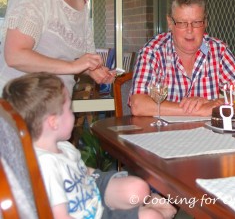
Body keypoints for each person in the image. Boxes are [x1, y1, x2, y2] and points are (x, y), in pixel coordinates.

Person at [2, 72, 177, 219]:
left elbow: (83, 171)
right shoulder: (45, 166)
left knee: (138, 188)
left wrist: (112, 178)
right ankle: (148, 211)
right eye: (69, 109)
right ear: (53, 122)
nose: (73, 113)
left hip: (93, 193)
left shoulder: (62, 146)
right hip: (88, 214)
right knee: (153, 216)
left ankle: (147, 207)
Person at [130, 0, 235, 117]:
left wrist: (216, 103)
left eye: (196, 22)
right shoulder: (153, 51)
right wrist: (200, 110)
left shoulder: (218, 50)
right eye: (182, 23)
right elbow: (138, 104)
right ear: (170, 23)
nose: (190, 30)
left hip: (208, 136)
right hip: (164, 135)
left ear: (205, 22)